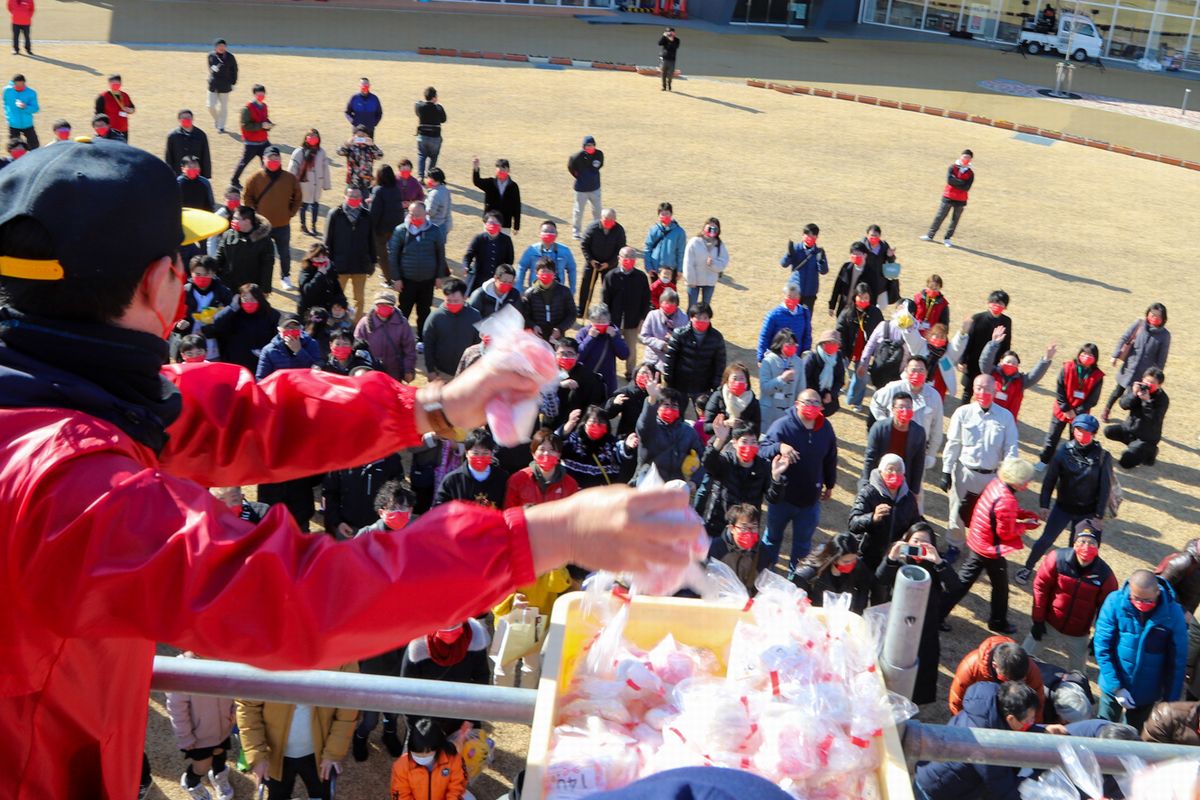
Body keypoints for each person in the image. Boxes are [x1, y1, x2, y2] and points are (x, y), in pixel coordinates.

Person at [0, 141, 707, 796]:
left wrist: (435, 405)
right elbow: (297, 597)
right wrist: (547, 535)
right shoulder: (67, 484)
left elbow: (236, 416)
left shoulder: (57, 384)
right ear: (161, 284)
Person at [942, 459, 1041, 634]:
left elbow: (1002, 514)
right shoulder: (1007, 499)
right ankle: (996, 621)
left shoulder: (997, 484)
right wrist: (1025, 525)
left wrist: (1022, 515)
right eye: (1027, 479)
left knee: (970, 582)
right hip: (988, 547)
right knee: (992, 585)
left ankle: (938, 614)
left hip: (980, 539)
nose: (1029, 482)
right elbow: (1006, 532)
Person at [236, 665, 359, 800]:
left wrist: (334, 752)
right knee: (278, 794)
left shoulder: (340, 654)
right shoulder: (264, 650)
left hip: (320, 754)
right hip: (275, 754)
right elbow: (248, 707)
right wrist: (256, 753)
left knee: (321, 794)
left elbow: (347, 708)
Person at [874, 523, 960, 705]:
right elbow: (881, 578)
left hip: (925, 626)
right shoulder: (899, 560)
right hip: (898, 623)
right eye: (915, 541)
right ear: (906, 540)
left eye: (925, 543)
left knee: (923, 667)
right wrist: (891, 558)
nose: (919, 546)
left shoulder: (936, 564)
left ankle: (915, 701)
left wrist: (938, 562)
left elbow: (955, 586)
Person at [1018, 415, 1110, 583]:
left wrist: (1098, 515)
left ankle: (1068, 576)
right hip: (1063, 508)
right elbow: (1050, 479)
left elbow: (1105, 488)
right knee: (1045, 540)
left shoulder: (1103, 457)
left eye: (1087, 431)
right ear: (1073, 430)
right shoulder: (1063, 451)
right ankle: (1027, 567)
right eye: (1079, 430)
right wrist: (1044, 504)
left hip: (1086, 512)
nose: (1082, 434)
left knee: (1076, 546)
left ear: (1094, 434)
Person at [914, 681, 1041, 800]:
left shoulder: (985, 708)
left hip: (930, 769)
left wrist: (1043, 731)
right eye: (1029, 720)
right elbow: (1006, 791)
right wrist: (1041, 774)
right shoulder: (986, 745)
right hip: (936, 792)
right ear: (1011, 719)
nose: (1031, 723)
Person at [1094, 569, 1189, 730]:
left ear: (1157, 592)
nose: (1141, 604)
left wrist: (1169, 702)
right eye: (1136, 598)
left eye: (1147, 600)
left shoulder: (1173, 614)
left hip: (1147, 691)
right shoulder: (1114, 602)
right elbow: (1103, 646)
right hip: (1114, 684)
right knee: (1103, 726)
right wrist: (1116, 687)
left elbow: (1177, 661)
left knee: (1132, 732)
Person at [940, 374, 1019, 561]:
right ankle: (954, 546)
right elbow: (953, 443)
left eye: (987, 389)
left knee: (987, 516)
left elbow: (1011, 448)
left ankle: (980, 549)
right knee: (957, 512)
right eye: (978, 388)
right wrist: (946, 470)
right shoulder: (962, 413)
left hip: (992, 478)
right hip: (964, 472)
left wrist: (1010, 479)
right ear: (973, 390)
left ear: (995, 390)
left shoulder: (1005, 417)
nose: (983, 392)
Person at [759, 388, 838, 574]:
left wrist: (830, 484)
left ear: (821, 407)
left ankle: (795, 581)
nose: (811, 406)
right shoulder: (783, 425)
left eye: (815, 403)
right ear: (796, 404)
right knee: (771, 539)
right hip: (782, 498)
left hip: (810, 501)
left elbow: (830, 458)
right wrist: (780, 447)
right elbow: (762, 449)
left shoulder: (825, 428)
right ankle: (763, 574)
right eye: (807, 402)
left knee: (802, 546)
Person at [1025, 523, 1116, 672]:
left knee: (1078, 673)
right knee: (1022, 660)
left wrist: (1098, 637)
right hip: (1049, 622)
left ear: (1098, 547)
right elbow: (1041, 587)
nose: (1086, 546)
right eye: (1082, 541)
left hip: (1078, 633)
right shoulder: (1056, 559)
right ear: (1074, 543)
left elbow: (1107, 610)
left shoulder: (1105, 575)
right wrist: (1038, 620)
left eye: (1092, 543)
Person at [165, 652, 237, 800]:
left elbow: (235, 687)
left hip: (223, 726)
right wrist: (185, 736)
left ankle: (219, 775)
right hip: (199, 735)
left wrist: (234, 710)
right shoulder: (181, 669)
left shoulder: (226, 659)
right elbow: (177, 709)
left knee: (219, 753)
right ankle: (191, 782)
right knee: (201, 766)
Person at [1033, 343, 1103, 468]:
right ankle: (1044, 460)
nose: (1086, 357)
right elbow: (1060, 388)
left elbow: (1093, 399)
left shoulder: (1097, 376)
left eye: (1090, 355)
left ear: (1095, 358)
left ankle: (1072, 462)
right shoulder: (1068, 367)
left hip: (1080, 415)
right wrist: (1066, 408)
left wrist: (1076, 412)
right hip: (1061, 410)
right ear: (1079, 354)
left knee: (1076, 439)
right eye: (1084, 353)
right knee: (1052, 437)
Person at [848, 453, 922, 573]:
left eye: (898, 470)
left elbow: (915, 524)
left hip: (894, 556)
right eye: (890, 469)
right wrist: (872, 517)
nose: (894, 474)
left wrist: (909, 539)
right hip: (867, 555)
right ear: (881, 471)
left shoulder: (909, 498)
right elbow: (853, 523)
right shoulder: (868, 493)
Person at [388, 201, 448, 347]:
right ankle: (398, 338)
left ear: (425, 214)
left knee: (424, 311)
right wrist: (396, 278)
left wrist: (439, 276)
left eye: (417, 215)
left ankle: (422, 339)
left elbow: (440, 254)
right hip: (407, 279)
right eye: (411, 214)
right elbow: (393, 255)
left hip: (427, 280)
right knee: (403, 311)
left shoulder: (434, 231)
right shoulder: (401, 230)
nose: (414, 217)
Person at [698, 415, 770, 536]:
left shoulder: (762, 466)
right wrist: (719, 440)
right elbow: (708, 464)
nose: (749, 447)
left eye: (753, 442)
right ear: (735, 443)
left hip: (746, 529)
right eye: (744, 442)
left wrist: (778, 479)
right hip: (719, 524)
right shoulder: (726, 461)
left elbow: (773, 497)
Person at [869, 355, 944, 470]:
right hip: (892, 445)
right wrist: (884, 423)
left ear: (927, 373)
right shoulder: (894, 388)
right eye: (913, 370)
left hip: (917, 449)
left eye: (921, 370)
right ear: (906, 371)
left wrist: (931, 454)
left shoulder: (934, 397)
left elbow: (937, 428)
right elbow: (875, 402)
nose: (917, 374)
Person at [244, 146, 302, 289]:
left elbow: (298, 197)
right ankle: (260, 277)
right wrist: (253, 215)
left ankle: (285, 276)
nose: (274, 161)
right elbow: (247, 197)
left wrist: (290, 213)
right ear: (263, 159)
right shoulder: (255, 178)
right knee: (262, 253)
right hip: (262, 225)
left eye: (276, 158)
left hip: (283, 223)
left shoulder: (289, 178)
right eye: (270, 158)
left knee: (284, 253)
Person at [1103, 302, 1170, 422]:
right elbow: (1125, 338)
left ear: (1163, 319)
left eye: (1158, 316)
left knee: (1136, 396)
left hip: (1145, 374)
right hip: (1130, 366)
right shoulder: (1139, 324)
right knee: (1118, 390)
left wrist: (1157, 377)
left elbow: (1162, 358)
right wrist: (1115, 355)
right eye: (1152, 314)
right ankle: (1107, 409)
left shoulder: (1165, 335)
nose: (1154, 318)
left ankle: (1131, 420)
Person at [948, 637, 1044, 718]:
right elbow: (957, 703)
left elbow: (1036, 707)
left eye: (1020, 681)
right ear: (994, 666)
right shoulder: (971, 667)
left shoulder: (1030, 669)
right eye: (1008, 681)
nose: (1013, 687)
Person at [660, 302, 726, 415]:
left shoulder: (716, 338)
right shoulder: (679, 334)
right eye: (698, 317)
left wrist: (715, 385)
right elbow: (670, 359)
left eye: (705, 318)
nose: (702, 321)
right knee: (676, 415)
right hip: (680, 384)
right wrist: (668, 381)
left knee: (705, 416)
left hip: (703, 385)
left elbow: (720, 363)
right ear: (691, 317)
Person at [324, 451, 405, 539]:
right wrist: (337, 522)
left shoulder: (391, 459)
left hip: (379, 529)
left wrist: (387, 523)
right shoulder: (339, 458)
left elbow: (397, 493)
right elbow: (330, 493)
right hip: (347, 528)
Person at [978, 330, 1053, 424]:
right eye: (1008, 361)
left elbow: (1035, 376)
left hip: (1006, 423)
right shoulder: (991, 373)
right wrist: (994, 343)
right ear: (1001, 361)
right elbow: (985, 361)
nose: (1010, 365)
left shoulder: (1021, 381)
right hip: (986, 417)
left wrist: (1046, 359)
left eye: (1014, 363)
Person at [637, 379, 703, 483]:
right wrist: (652, 398)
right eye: (666, 405)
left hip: (675, 485)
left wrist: (694, 481)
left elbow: (701, 458)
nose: (670, 409)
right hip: (649, 481)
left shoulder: (688, 432)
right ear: (657, 408)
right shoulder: (651, 427)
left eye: (674, 405)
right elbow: (643, 425)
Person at [203, 283, 279, 372]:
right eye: (245, 299)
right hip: (235, 362)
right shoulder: (235, 313)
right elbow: (218, 321)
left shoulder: (271, 315)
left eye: (253, 299)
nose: (249, 303)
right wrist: (232, 307)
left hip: (259, 363)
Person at [601, 246, 651, 381]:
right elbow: (604, 301)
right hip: (613, 321)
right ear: (619, 258)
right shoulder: (610, 276)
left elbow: (646, 300)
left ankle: (630, 373)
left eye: (631, 258)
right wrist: (606, 321)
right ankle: (610, 371)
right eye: (625, 257)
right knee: (610, 347)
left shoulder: (641, 277)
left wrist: (642, 319)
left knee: (631, 350)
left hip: (633, 321)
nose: (628, 260)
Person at [325, 185, 376, 317]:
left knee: (360, 299)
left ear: (362, 198)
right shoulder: (335, 214)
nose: (354, 199)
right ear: (345, 197)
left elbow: (372, 240)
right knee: (335, 298)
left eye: (357, 196)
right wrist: (328, 263)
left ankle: (355, 327)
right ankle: (335, 323)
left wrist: (373, 262)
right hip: (339, 265)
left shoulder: (367, 215)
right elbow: (327, 241)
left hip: (360, 265)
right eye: (351, 196)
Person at [1104, 366, 1168, 469]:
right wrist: (1133, 395)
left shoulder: (1162, 399)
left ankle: (1150, 451)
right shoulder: (1137, 387)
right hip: (1130, 429)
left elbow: (1153, 420)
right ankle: (1134, 447)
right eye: (1146, 381)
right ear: (1142, 379)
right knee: (1108, 431)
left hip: (1146, 437)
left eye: (1152, 383)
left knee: (1125, 462)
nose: (1147, 385)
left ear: (1159, 385)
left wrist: (1147, 402)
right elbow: (1123, 405)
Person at [389, 717, 468, 800]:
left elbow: (457, 789)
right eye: (416, 754)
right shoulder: (401, 766)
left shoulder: (454, 760)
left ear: (438, 747)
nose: (422, 758)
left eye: (427, 753)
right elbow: (401, 794)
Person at [861, 392, 926, 493]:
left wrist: (914, 491)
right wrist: (866, 484)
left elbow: (918, 463)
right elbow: (870, 458)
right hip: (879, 480)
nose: (905, 411)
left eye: (908, 407)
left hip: (903, 484)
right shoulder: (879, 428)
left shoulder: (919, 433)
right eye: (901, 407)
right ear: (893, 409)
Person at [560, 403, 636, 488]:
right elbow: (555, 446)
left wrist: (627, 446)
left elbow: (621, 451)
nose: (597, 425)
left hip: (601, 495)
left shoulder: (610, 443)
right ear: (585, 423)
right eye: (593, 421)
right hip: (575, 494)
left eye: (601, 422)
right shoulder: (574, 439)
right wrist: (567, 427)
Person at [793, 531, 871, 611]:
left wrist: (856, 613)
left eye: (854, 559)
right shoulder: (809, 573)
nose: (852, 563)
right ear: (833, 559)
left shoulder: (859, 566)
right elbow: (795, 594)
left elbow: (863, 591)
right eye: (846, 562)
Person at [504, 428, 580, 509]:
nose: (546, 453)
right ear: (533, 453)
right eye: (542, 449)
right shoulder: (517, 480)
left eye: (552, 449)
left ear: (559, 455)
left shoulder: (570, 484)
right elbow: (509, 512)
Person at [434, 428, 509, 509]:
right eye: (475, 453)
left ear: (491, 453)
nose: (480, 457)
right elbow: (439, 510)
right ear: (466, 453)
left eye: (485, 453)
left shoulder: (502, 478)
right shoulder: (452, 480)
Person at [837, 282, 884, 411]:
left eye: (866, 298)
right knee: (838, 371)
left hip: (865, 351)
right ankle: (835, 392)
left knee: (861, 377)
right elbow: (840, 330)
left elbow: (881, 331)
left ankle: (855, 400)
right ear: (855, 297)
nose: (863, 300)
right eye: (861, 297)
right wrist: (841, 349)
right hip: (847, 349)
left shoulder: (875, 313)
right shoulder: (847, 311)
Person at [544, 336, 607, 431]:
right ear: (555, 354)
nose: (565, 357)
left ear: (577, 356)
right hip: (550, 425)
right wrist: (559, 385)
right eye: (562, 353)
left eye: (570, 353)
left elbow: (593, 406)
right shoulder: (547, 372)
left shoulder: (589, 377)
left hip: (575, 428)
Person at [959, 291, 1012, 403]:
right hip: (973, 361)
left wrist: (1004, 361)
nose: (996, 305)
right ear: (988, 303)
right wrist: (962, 360)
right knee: (968, 391)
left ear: (1005, 307)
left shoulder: (1006, 321)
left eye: (1001, 303)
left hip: (992, 364)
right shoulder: (977, 318)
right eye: (993, 302)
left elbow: (1006, 344)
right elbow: (969, 341)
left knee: (988, 391)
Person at [423, 278, 481, 382]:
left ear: (464, 297)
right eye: (448, 301)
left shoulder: (475, 316)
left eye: (456, 301)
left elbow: (478, 343)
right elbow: (428, 345)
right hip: (441, 373)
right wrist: (430, 369)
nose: (452, 304)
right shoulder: (435, 317)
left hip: (466, 374)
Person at [354, 292, 417, 383]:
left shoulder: (402, 323)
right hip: (371, 372)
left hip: (394, 373)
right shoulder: (364, 324)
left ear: (393, 307)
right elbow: (357, 348)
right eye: (380, 304)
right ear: (375, 305)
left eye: (388, 304)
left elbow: (409, 349)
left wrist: (408, 369)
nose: (384, 307)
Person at [921, 148, 974, 247]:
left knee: (955, 220)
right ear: (961, 157)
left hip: (961, 199)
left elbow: (967, 187)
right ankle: (930, 235)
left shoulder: (971, 173)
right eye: (964, 156)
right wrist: (961, 183)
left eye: (968, 157)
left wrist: (956, 182)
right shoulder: (952, 167)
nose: (966, 158)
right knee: (939, 216)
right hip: (948, 196)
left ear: (970, 159)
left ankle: (947, 238)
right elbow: (950, 181)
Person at [214, 206, 274, 291]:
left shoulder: (263, 240)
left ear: (247, 221)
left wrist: (265, 288)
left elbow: (267, 266)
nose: (233, 221)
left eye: (236, 219)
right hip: (228, 285)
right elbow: (219, 257)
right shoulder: (228, 235)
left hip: (249, 289)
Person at [579, 207, 626, 312]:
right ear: (601, 218)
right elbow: (584, 245)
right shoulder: (592, 228)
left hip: (610, 265)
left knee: (609, 288)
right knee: (586, 286)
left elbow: (620, 249)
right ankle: (582, 309)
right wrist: (590, 260)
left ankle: (607, 310)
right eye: (606, 220)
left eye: (611, 220)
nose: (608, 223)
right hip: (592, 263)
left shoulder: (619, 230)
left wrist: (609, 264)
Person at [577, 303, 629, 395]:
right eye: (597, 321)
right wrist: (590, 338)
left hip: (607, 381)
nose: (600, 324)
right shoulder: (584, 332)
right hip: (586, 379)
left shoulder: (614, 333)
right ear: (591, 321)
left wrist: (615, 337)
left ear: (609, 321)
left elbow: (624, 354)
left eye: (603, 321)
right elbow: (578, 356)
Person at [522, 256, 577, 342]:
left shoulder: (564, 292)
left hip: (557, 336)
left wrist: (560, 328)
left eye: (549, 271)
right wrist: (533, 326)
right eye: (543, 271)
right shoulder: (529, 294)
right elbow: (524, 316)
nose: (546, 274)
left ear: (554, 273)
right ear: (536, 273)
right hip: (537, 336)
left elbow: (572, 314)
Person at [289, 128, 332, 237]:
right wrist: (291, 184)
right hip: (304, 183)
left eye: (315, 136)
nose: (313, 138)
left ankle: (313, 226)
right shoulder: (299, 151)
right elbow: (293, 168)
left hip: (317, 183)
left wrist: (326, 184)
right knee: (303, 205)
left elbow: (325, 168)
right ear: (306, 137)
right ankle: (303, 225)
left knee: (315, 205)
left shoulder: (321, 152)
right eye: (311, 135)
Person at [255, 313, 323, 381]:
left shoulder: (311, 343)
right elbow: (261, 378)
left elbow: (315, 369)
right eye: (287, 327)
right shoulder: (269, 350)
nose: (291, 330)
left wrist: (299, 351)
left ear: (301, 329)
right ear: (279, 329)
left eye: (295, 327)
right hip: (281, 388)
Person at [516, 219, 577, 294]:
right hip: (535, 293)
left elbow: (572, 270)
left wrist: (572, 290)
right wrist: (518, 289)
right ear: (540, 234)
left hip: (557, 293)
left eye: (552, 232)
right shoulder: (531, 250)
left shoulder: (565, 251)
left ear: (556, 234)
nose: (548, 234)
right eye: (545, 231)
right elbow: (521, 268)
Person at [756, 283, 812, 364]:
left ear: (799, 297)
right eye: (789, 296)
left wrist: (805, 354)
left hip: (796, 359)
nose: (792, 299)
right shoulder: (773, 315)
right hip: (777, 360)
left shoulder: (804, 313)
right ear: (784, 297)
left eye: (795, 296)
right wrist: (761, 358)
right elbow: (765, 336)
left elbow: (807, 335)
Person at [230, 84, 272, 188]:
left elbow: (265, 119)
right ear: (254, 94)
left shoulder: (264, 106)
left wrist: (268, 125)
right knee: (243, 163)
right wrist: (261, 125)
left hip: (263, 141)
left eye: (263, 94)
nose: (261, 96)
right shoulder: (247, 108)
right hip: (251, 143)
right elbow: (245, 126)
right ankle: (234, 180)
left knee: (268, 161)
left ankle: (268, 181)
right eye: (259, 94)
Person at [827, 242, 883, 318]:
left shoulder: (871, 272)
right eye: (853, 254)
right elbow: (837, 287)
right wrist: (832, 306)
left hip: (859, 311)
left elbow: (874, 294)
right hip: (843, 308)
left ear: (865, 255)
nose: (855, 256)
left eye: (858, 254)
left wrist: (870, 312)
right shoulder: (846, 268)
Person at [463, 212, 514, 296]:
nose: (492, 225)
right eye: (490, 222)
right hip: (478, 277)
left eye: (495, 223)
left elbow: (509, 260)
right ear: (485, 224)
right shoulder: (479, 238)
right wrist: (466, 265)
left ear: (500, 225)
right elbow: (469, 255)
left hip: (497, 279)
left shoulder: (506, 240)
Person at [702, 362, 760, 436]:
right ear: (727, 381)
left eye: (741, 378)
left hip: (742, 442)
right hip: (720, 442)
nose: (738, 382)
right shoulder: (718, 397)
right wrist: (726, 423)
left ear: (747, 382)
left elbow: (756, 429)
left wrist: (743, 426)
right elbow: (707, 427)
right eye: (734, 379)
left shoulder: (752, 400)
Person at [681, 217, 728, 308]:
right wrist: (690, 280)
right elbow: (688, 263)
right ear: (704, 228)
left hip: (710, 282)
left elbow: (723, 261)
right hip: (694, 282)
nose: (712, 230)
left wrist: (713, 264)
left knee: (705, 308)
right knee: (692, 308)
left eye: (715, 228)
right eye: (710, 227)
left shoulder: (719, 244)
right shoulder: (694, 242)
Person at [780, 223, 828, 312]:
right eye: (807, 235)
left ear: (816, 237)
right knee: (791, 316)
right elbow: (783, 264)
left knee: (806, 319)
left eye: (813, 235)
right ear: (803, 235)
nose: (810, 237)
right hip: (794, 291)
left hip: (810, 293)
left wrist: (821, 261)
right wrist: (789, 255)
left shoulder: (819, 252)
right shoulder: (796, 248)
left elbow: (824, 271)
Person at [471, 156, 521, 235]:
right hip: (490, 222)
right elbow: (477, 182)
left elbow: (517, 206)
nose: (501, 171)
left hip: (505, 224)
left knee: (503, 245)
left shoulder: (513, 186)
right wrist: (476, 168)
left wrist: (516, 226)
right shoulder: (490, 183)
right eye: (498, 169)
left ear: (508, 170)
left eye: (503, 169)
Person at [638, 287, 686, 369]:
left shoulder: (683, 318)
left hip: (674, 360)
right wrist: (661, 344)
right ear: (660, 303)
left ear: (677, 304)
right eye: (666, 302)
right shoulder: (652, 315)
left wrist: (674, 339)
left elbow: (685, 340)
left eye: (672, 303)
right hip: (653, 359)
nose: (669, 305)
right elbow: (644, 336)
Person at [800, 330, 845, 417]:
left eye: (836, 343)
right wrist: (816, 398)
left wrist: (831, 394)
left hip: (826, 399)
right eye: (830, 342)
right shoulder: (812, 358)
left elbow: (840, 379)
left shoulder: (838, 357)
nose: (833, 346)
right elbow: (803, 379)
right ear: (823, 343)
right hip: (810, 399)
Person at [568, 135, 603, 239]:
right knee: (579, 211)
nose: (590, 147)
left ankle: (597, 230)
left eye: (592, 145)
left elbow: (598, 166)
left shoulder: (599, 154)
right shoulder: (576, 157)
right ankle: (576, 231)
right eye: (588, 145)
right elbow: (570, 167)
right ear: (584, 147)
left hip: (595, 188)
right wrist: (578, 176)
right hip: (581, 190)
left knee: (597, 210)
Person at [643, 201, 686, 282]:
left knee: (670, 294)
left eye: (667, 213)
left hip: (671, 271)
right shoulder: (654, 230)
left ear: (671, 214)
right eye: (662, 214)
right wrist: (648, 267)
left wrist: (680, 270)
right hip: (655, 270)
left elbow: (681, 252)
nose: (665, 216)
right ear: (658, 215)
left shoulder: (679, 232)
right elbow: (647, 249)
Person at [165, 109, 211, 179]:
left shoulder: (201, 135)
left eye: (188, 118)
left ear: (192, 119)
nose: (186, 120)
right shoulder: (173, 136)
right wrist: (169, 175)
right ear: (179, 120)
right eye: (183, 118)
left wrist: (206, 175)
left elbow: (205, 156)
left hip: (197, 174)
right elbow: (169, 157)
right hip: (179, 174)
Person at [337, 124, 384, 194]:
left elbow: (380, 155)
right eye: (358, 137)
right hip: (353, 182)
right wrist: (347, 143)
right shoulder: (350, 147)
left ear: (367, 136)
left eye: (363, 136)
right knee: (352, 202)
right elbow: (339, 152)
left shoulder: (370, 148)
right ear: (354, 136)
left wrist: (373, 145)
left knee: (366, 202)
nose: (361, 139)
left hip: (367, 182)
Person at [861, 224, 899, 304]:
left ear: (880, 236)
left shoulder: (884, 246)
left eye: (876, 236)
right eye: (871, 235)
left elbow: (890, 264)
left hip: (880, 283)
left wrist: (890, 256)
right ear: (867, 235)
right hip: (865, 283)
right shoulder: (861, 246)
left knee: (879, 307)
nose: (873, 238)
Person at [206, 38, 238, 133]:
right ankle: (217, 120)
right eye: (219, 46)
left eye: (223, 46)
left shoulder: (230, 57)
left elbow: (235, 70)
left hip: (225, 85)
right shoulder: (210, 55)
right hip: (213, 84)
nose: (221, 48)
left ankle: (221, 126)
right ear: (215, 47)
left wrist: (233, 82)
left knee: (223, 107)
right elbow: (210, 67)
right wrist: (213, 69)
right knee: (210, 106)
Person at [414, 85, 446, 180]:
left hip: (422, 136)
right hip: (435, 137)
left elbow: (417, 104)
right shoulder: (438, 108)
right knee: (433, 157)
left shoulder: (420, 107)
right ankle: (430, 176)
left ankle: (420, 176)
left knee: (421, 155)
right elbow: (443, 119)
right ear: (434, 98)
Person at [94, 74, 135, 141]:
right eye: (113, 83)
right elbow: (98, 116)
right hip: (109, 132)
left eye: (117, 83)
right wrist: (100, 130)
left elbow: (132, 108)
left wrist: (130, 110)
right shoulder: (102, 97)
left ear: (121, 84)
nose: (115, 85)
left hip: (124, 130)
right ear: (109, 84)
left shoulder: (125, 95)